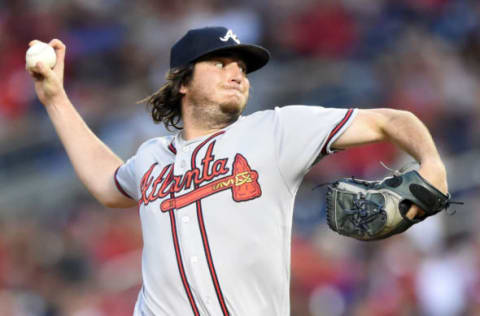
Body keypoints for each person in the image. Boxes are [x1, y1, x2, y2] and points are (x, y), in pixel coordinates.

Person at [27, 26, 448, 316]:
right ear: (183, 83)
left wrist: (431, 164)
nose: (237, 73)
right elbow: (108, 183)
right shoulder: (151, 157)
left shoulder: (277, 130)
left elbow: (391, 121)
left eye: (242, 68)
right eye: (221, 63)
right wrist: (55, 99)